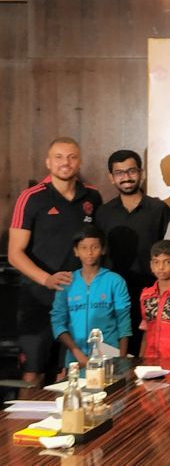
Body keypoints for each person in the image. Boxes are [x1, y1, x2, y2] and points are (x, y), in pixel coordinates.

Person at [8, 137, 103, 386]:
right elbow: (14, 253)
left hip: (78, 301)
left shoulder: (92, 196)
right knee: (33, 375)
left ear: (79, 161)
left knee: (70, 374)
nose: (65, 162)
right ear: (48, 162)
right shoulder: (31, 197)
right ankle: (23, 426)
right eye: (59, 157)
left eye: (72, 157)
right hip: (38, 299)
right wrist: (46, 279)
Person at [96, 149, 170, 356]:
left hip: (152, 292)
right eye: (119, 173)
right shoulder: (103, 213)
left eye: (131, 171)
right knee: (115, 352)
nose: (126, 177)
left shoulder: (159, 210)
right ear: (111, 178)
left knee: (148, 351)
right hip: (113, 295)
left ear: (142, 173)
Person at [51, 225, 132, 366]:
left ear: (103, 249)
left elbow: (124, 323)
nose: (89, 252)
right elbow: (58, 322)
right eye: (83, 247)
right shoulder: (66, 282)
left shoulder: (115, 281)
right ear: (76, 251)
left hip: (109, 358)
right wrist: (77, 353)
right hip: (76, 360)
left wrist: (122, 358)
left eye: (94, 247)